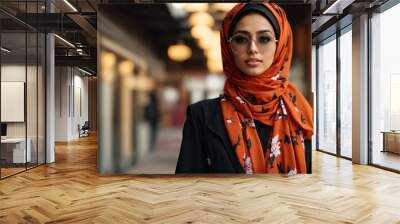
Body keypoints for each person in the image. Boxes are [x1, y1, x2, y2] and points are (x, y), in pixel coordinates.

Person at [175, 3, 313, 174]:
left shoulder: (302, 115)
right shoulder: (201, 116)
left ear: (281, 45)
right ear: (228, 46)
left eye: (264, 39)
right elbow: (186, 189)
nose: (253, 49)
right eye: (241, 39)